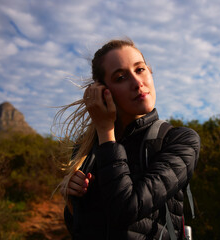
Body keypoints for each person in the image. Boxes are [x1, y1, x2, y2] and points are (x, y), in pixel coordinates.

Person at [56, 38, 200, 239]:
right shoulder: (88, 148)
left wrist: (106, 132)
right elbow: (80, 230)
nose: (137, 82)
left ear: (150, 72)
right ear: (104, 92)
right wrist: (74, 202)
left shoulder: (180, 140)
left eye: (140, 69)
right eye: (121, 77)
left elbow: (126, 210)